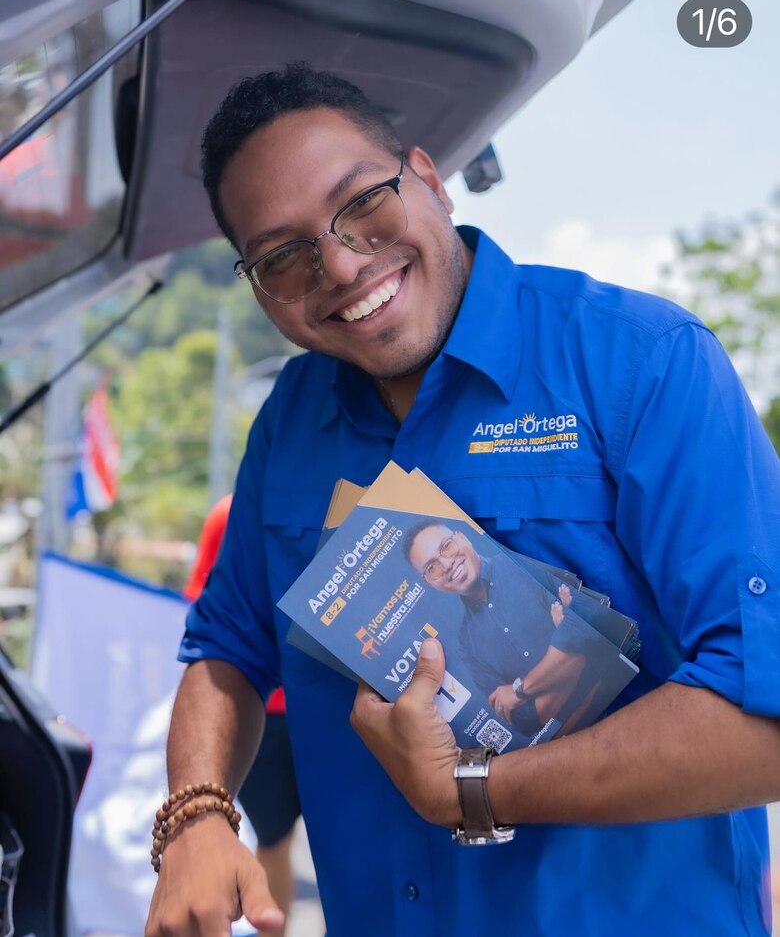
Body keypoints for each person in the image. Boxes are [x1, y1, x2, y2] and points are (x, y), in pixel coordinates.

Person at [146, 63, 780, 937]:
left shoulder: (642, 364)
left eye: (362, 203)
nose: (339, 263)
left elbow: (764, 718)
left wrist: (470, 790)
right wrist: (196, 812)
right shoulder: (289, 422)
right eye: (284, 257)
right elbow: (226, 647)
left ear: (429, 178)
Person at [183, 494, 302, 936]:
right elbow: (210, 612)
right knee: (272, 843)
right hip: (263, 714)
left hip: (325, 712)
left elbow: (198, 601)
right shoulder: (232, 513)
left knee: (342, 851)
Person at [403, 519, 593, 733]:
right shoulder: (467, 643)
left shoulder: (522, 559)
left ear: (462, 536)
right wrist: (573, 654)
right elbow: (527, 721)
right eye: (432, 568)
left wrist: (518, 692)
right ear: (430, 583)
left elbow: (590, 624)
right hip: (574, 736)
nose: (447, 565)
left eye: (446, 546)